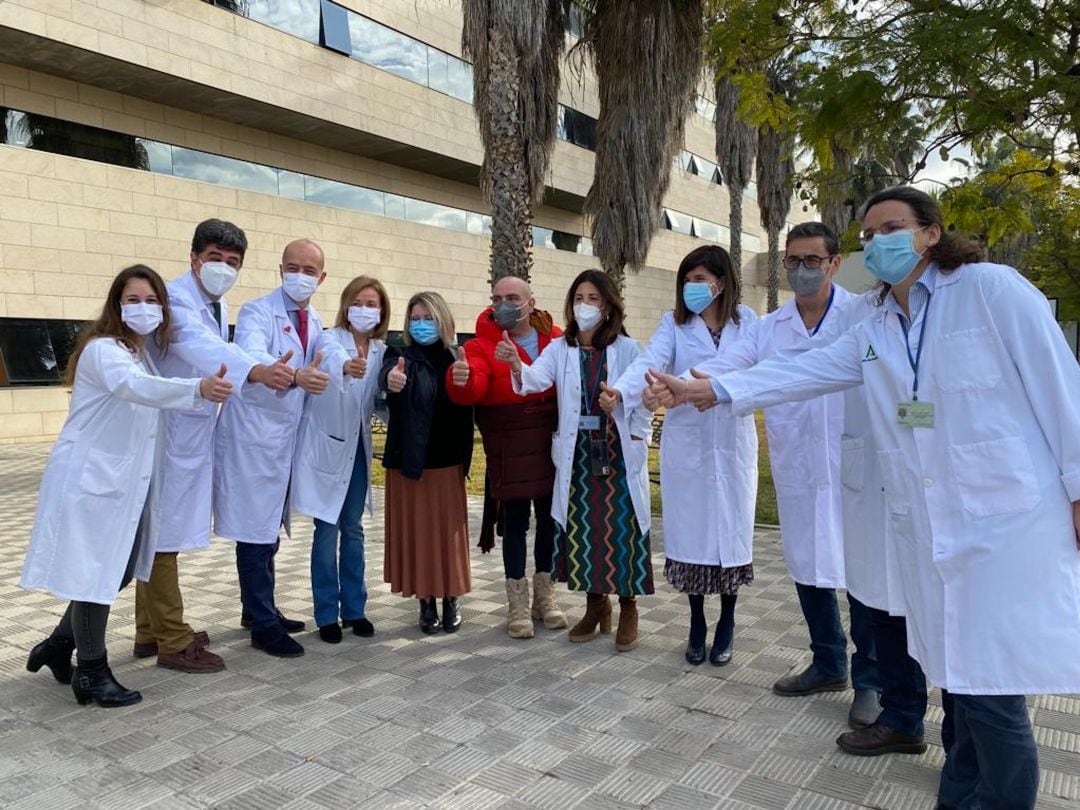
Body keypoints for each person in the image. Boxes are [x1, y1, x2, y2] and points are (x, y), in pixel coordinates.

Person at [653, 186, 1080, 809]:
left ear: (931, 232)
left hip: (1005, 523)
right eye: (869, 234)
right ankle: (958, 792)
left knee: (992, 686)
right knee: (957, 669)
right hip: (929, 524)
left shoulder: (992, 292)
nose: (878, 243)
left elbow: (1060, 389)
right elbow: (798, 370)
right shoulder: (876, 323)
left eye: (892, 228)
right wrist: (710, 390)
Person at [646, 223, 881, 727]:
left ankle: (871, 680)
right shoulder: (768, 327)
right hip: (798, 464)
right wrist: (681, 388)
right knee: (806, 565)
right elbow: (726, 365)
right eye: (792, 261)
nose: (800, 270)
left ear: (835, 263)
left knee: (861, 573)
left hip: (851, 462)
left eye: (811, 261)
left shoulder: (862, 314)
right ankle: (827, 662)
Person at [22, 265, 232, 707]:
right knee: (94, 574)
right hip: (89, 481)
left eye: (152, 300)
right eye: (133, 300)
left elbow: (148, 385)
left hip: (117, 485)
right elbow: (136, 388)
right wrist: (198, 387)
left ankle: (60, 646)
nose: (143, 308)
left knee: (114, 570)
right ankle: (93, 673)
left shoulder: (139, 352)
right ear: (116, 305)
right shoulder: (105, 351)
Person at [134, 219, 290, 675]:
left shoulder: (215, 304)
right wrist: (258, 371)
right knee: (162, 537)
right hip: (166, 434)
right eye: (215, 258)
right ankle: (173, 639)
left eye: (233, 262)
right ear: (194, 258)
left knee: (161, 534)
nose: (223, 268)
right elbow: (197, 345)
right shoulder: (177, 300)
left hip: (190, 433)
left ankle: (150, 630)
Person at [605, 245, 757, 666]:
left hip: (731, 439)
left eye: (701, 279)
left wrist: (686, 384)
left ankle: (727, 618)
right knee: (691, 533)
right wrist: (624, 390)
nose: (692, 287)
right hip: (688, 443)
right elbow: (651, 363)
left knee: (731, 533)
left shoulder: (749, 323)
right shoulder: (673, 324)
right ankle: (696, 621)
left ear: (721, 282)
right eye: (687, 279)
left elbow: (754, 371)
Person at [498, 269, 653, 652]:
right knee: (586, 532)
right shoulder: (561, 348)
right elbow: (534, 379)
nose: (585, 306)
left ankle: (628, 607)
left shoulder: (628, 350)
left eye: (594, 299)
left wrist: (621, 404)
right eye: (580, 298)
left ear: (609, 305)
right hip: (579, 456)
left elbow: (646, 398)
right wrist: (516, 364)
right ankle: (595, 606)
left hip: (617, 452)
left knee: (622, 530)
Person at [214, 239, 331, 658]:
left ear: (322, 276)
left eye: (309, 270)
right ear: (281, 269)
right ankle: (262, 625)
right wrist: (293, 375)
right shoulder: (256, 312)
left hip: (284, 442)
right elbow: (253, 355)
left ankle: (258, 609)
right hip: (252, 439)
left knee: (269, 531)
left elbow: (325, 359)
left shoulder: (315, 320)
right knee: (255, 532)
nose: (300, 276)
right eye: (293, 267)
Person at [445, 275, 566, 639]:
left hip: (551, 441)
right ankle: (517, 603)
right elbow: (476, 386)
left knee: (549, 521)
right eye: (496, 298)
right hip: (509, 446)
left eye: (512, 297)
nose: (503, 304)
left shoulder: (556, 338)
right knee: (514, 523)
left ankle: (546, 597)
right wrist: (461, 378)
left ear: (531, 301)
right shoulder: (482, 344)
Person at [292, 276, 389, 644]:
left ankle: (355, 609)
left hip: (358, 452)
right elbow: (334, 364)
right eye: (359, 302)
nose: (365, 310)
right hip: (329, 449)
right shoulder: (330, 339)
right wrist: (349, 368)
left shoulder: (380, 348)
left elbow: (383, 390)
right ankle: (326, 614)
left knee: (353, 529)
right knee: (326, 530)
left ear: (381, 311)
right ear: (347, 305)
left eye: (372, 304)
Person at [378, 291, 474, 634]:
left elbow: (470, 403)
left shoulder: (457, 357)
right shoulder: (399, 355)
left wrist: (469, 379)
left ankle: (451, 598)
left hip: (448, 461)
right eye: (415, 319)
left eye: (428, 318)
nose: (421, 325)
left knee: (448, 537)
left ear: (443, 320)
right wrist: (392, 380)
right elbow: (387, 376)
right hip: (410, 463)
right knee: (418, 536)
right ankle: (426, 603)